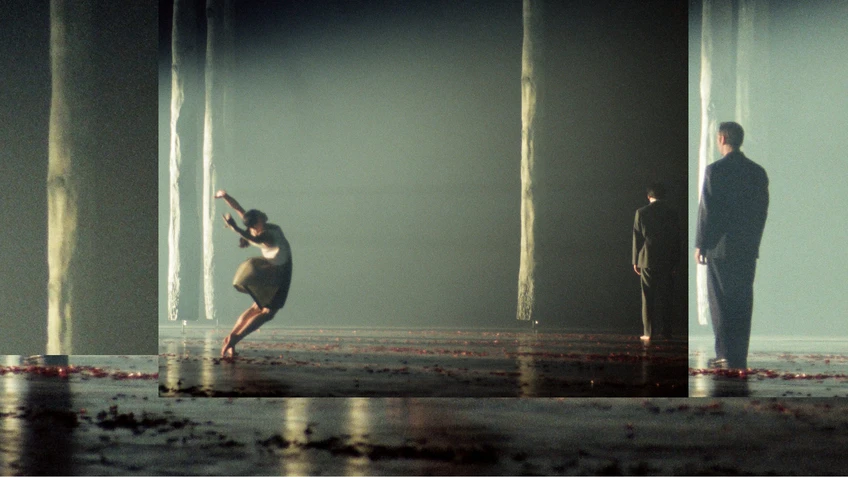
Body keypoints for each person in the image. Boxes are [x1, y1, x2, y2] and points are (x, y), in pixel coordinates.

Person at [695, 122, 769, 370]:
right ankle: (739, 353)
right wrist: (753, 241)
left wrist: (701, 244)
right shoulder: (757, 172)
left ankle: (725, 352)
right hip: (746, 247)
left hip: (720, 247)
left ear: (723, 138)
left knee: (720, 301)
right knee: (743, 299)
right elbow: (761, 213)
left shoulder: (715, 171)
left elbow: (708, 211)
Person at [215, 189, 293, 358]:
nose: (262, 213)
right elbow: (255, 240)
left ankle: (232, 337)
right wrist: (235, 228)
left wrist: (225, 196)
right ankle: (234, 340)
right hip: (277, 273)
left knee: (257, 307)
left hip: (270, 267)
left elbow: (239, 209)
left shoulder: (254, 228)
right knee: (267, 313)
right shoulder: (265, 235)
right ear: (257, 222)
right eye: (259, 214)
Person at [632, 182, 680, 342]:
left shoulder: (641, 212)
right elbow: (676, 239)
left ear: (648, 196)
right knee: (666, 297)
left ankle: (648, 332)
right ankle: (667, 332)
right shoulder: (672, 213)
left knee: (648, 296)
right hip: (667, 259)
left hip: (647, 258)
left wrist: (635, 260)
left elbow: (637, 237)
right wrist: (676, 262)